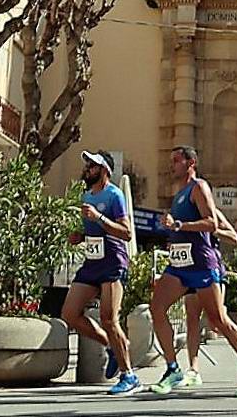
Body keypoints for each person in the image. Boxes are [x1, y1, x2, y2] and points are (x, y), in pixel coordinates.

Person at [149, 146, 237, 397]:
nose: (172, 165)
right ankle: (173, 368)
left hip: (202, 264)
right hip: (179, 265)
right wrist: (173, 233)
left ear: (191, 162)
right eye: (171, 161)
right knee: (157, 308)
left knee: (218, 320)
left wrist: (179, 224)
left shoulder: (199, 187)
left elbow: (211, 222)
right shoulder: (179, 194)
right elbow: (184, 229)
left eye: (177, 160)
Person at [63, 151, 138, 394]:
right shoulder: (87, 195)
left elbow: (126, 233)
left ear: (104, 169)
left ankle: (129, 376)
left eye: (92, 166)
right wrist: (80, 236)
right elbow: (95, 232)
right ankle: (112, 347)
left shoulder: (114, 195)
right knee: (70, 314)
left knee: (109, 319)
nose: (87, 169)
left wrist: (99, 217)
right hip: (92, 262)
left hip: (113, 262)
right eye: (87, 165)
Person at [182, 205, 237, 388]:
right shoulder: (181, 212)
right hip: (190, 268)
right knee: (192, 319)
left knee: (215, 321)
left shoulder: (212, 213)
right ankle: (193, 370)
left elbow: (234, 238)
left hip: (210, 268)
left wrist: (214, 230)